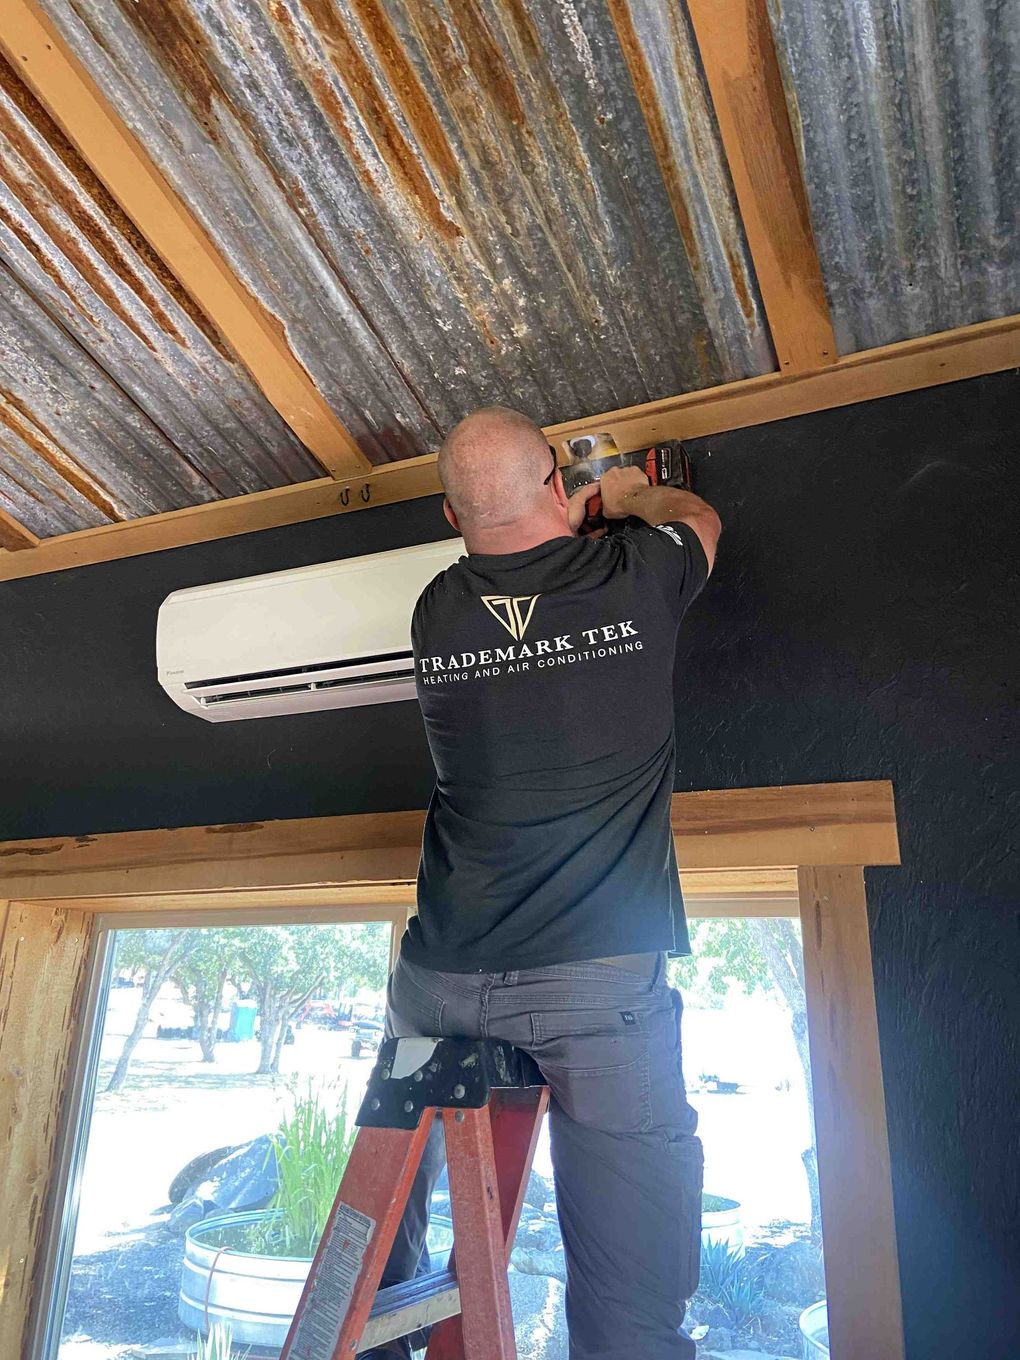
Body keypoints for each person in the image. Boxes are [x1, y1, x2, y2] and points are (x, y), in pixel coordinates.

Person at [364, 405, 722, 1360]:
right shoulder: (638, 572)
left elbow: (523, 594)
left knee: (383, 1231)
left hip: (441, 979)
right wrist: (637, 496)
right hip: (592, 985)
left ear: (451, 516)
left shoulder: (436, 610)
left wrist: (582, 531)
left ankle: (376, 1330)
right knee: (630, 1280)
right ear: (558, 489)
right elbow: (701, 522)